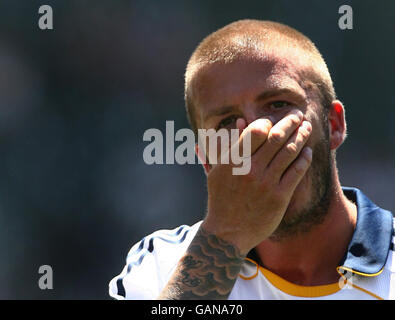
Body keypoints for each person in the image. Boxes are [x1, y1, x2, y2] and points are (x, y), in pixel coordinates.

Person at [109, 20, 394, 300]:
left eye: (278, 105)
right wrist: (226, 236)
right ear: (208, 161)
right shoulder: (160, 263)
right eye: (228, 121)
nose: (255, 134)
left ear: (333, 124)